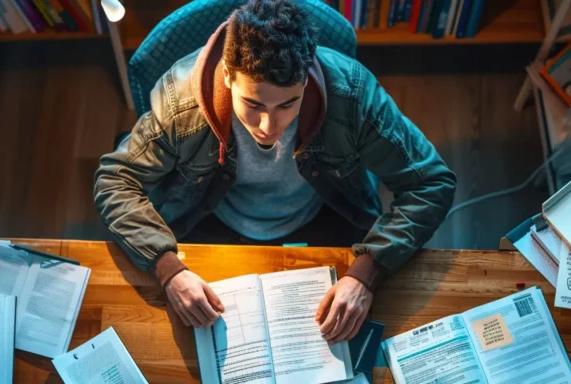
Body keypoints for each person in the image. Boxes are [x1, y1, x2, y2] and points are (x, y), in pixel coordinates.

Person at [94, 0, 456, 343]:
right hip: (209, 216)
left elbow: (432, 183)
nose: (268, 126)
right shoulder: (180, 101)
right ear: (227, 76)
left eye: (288, 104)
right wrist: (168, 268)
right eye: (253, 103)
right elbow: (114, 180)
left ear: (308, 76)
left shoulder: (352, 93)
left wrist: (368, 272)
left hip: (329, 210)